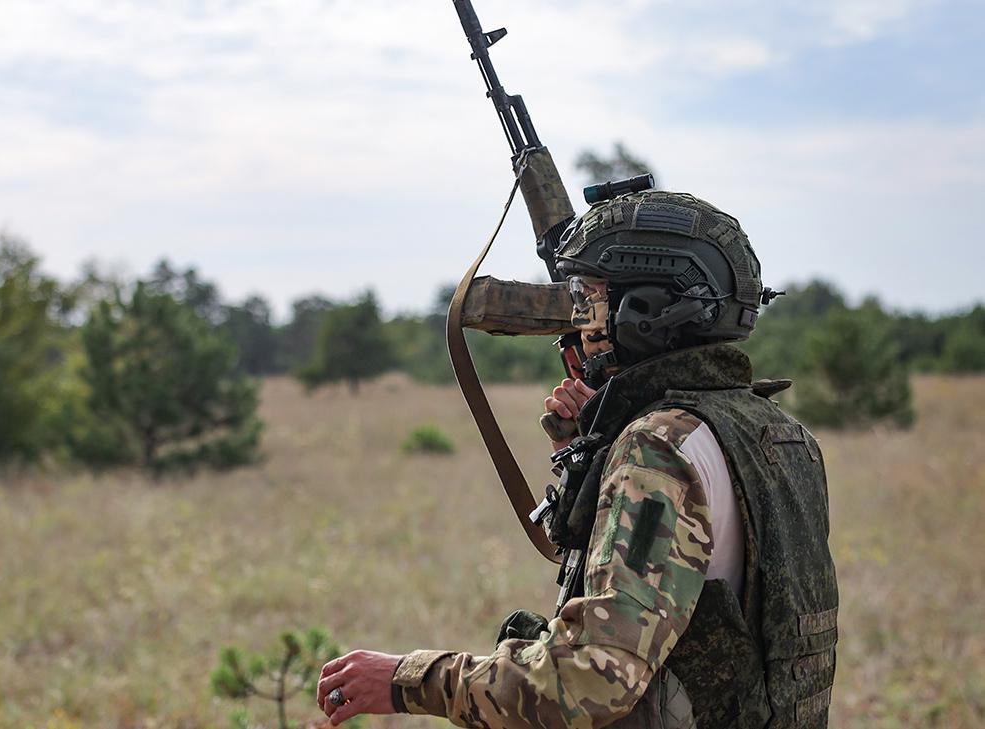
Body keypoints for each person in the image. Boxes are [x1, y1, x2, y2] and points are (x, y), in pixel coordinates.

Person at [316, 191, 839, 728]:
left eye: (589, 297)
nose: (578, 318)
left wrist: (408, 678)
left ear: (647, 310)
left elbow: (590, 680)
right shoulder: (779, 434)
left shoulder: (658, 449)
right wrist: (589, 454)